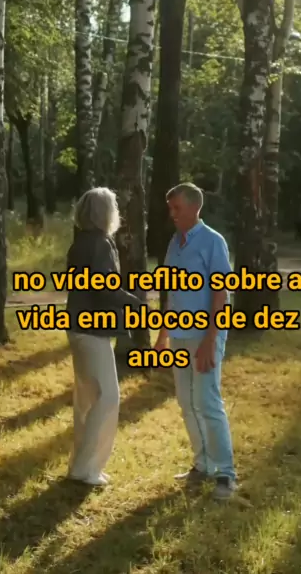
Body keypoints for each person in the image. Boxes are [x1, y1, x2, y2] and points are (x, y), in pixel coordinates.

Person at [154, 182, 237, 501]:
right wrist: (162, 336)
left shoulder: (214, 241)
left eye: (176, 208)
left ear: (194, 207)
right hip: (178, 335)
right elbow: (170, 293)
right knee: (186, 401)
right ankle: (203, 465)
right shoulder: (174, 243)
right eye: (170, 208)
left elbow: (221, 294)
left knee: (207, 401)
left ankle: (226, 474)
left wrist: (210, 340)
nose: (172, 214)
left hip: (205, 335)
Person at [65, 187, 141, 487]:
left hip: (78, 327)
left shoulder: (80, 242)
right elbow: (103, 287)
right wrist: (134, 301)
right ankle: (86, 468)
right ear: (105, 214)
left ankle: (80, 465)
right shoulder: (99, 244)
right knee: (107, 397)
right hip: (91, 329)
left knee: (87, 398)